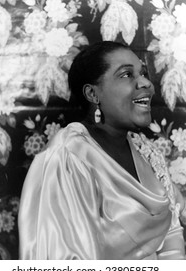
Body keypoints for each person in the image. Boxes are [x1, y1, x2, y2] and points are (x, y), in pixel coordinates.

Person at [18, 41, 186, 259]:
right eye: (127, 75)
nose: (146, 83)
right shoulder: (67, 157)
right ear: (93, 94)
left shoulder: (146, 151)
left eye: (143, 73)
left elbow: (171, 232)